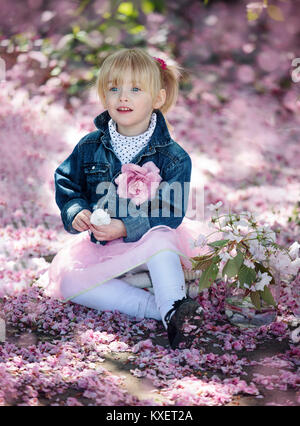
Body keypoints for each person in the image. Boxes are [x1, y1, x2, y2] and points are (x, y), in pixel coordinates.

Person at [42, 48, 211, 349]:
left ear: (157, 99)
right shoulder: (90, 146)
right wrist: (76, 210)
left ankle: (174, 307)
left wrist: (125, 227)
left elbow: (171, 212)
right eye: (114, 88)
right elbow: (67, 181)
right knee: (68, 282)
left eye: (135, 89)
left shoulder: (173, 157)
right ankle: (156, 310)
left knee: (161, 239)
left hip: (149, 239)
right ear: (103, 95)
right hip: (103, 247)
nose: (123, 97)